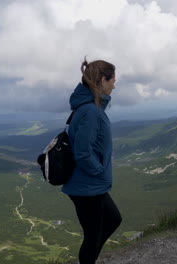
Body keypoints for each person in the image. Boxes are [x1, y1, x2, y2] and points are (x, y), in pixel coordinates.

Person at [62, 57, 122, 264]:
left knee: (113, 220)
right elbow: (82, 152)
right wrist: (99, 171)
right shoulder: (90, 111)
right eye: (113, 80)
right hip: (86, 186)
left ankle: (91, 257)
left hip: (89, 185)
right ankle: (89, 259)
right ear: (103, 80)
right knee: (92, 235)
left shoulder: (89, 107)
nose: (115, 84)